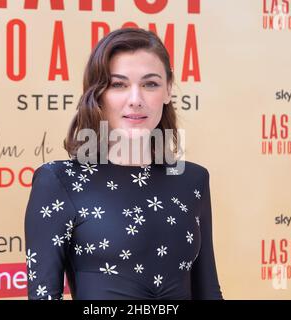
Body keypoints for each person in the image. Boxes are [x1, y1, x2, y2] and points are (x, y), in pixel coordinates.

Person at [24, 28, 222, 300]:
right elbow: (43, 296)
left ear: (168, 91)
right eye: (118, 85)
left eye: (150, 84)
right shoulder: (59, 181)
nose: (136, 100)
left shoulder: (192, 180)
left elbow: (208, 291)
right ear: (98, 94)